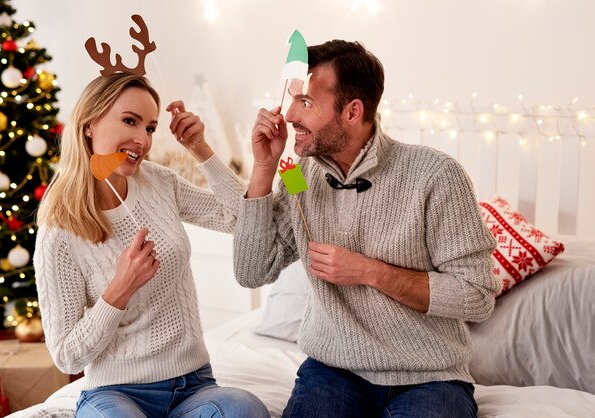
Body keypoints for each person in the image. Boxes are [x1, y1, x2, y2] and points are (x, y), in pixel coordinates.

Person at [234, 40, 501, 417]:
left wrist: (367, 272)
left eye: (306, 102)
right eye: (291, 99)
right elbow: (251, 272)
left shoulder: (435, 176)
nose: (289, 114)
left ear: (352, 111)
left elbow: (476, 295)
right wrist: (263, 167)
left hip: (430, 377)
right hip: (332, 372)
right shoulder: (300, 176)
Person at [34, 72, 269, 418]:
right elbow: (66, 355)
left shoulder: (159, 182)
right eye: (130, 121)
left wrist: (200, 149)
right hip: (115, 394)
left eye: (150, 127)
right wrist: (119, 290)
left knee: (245, 410)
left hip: (194, 385)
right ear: (89, 125)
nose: (142, 139)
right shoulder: (59, 231)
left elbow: (239, 218)